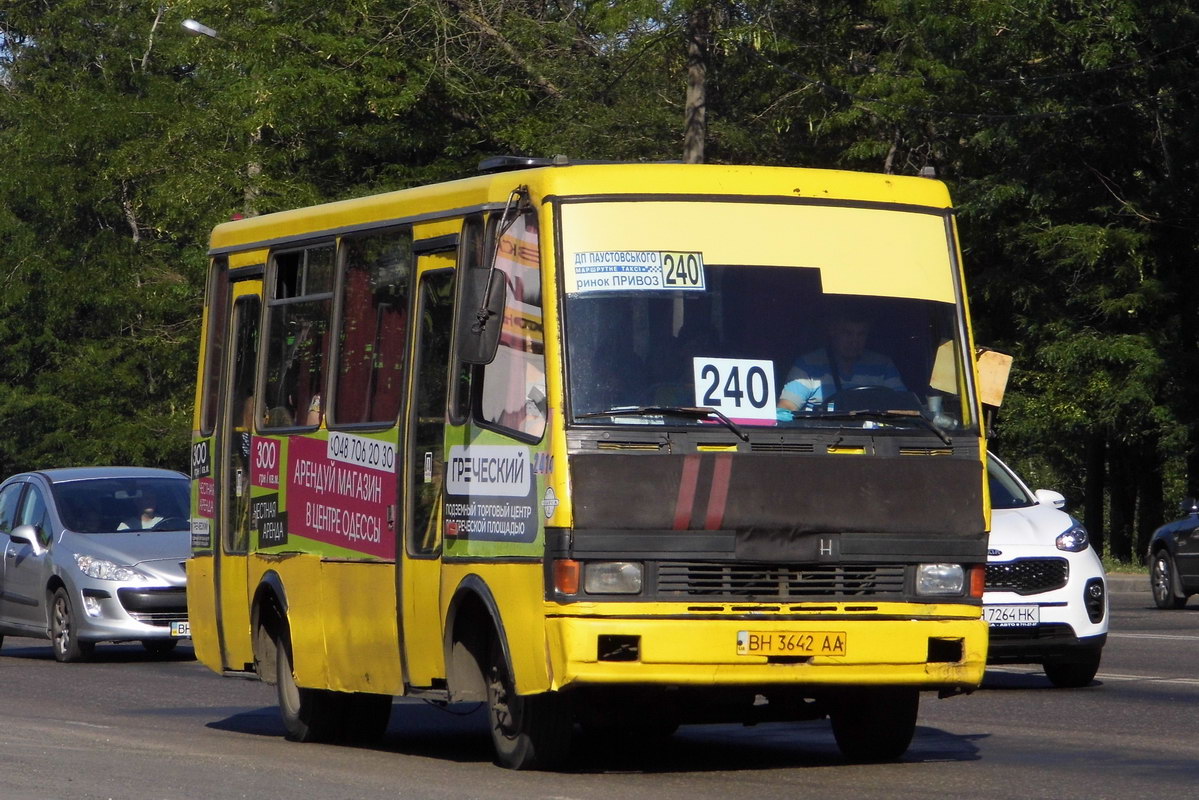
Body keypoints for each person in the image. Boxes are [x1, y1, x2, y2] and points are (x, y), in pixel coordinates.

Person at [777, 313, 904, 417]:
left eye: (861, 334)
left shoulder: (883, 365)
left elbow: (904, 408)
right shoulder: (807, 365)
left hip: (877, 442)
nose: (854, 341)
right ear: (833, 332)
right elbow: (785, 409)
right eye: (847, 333)